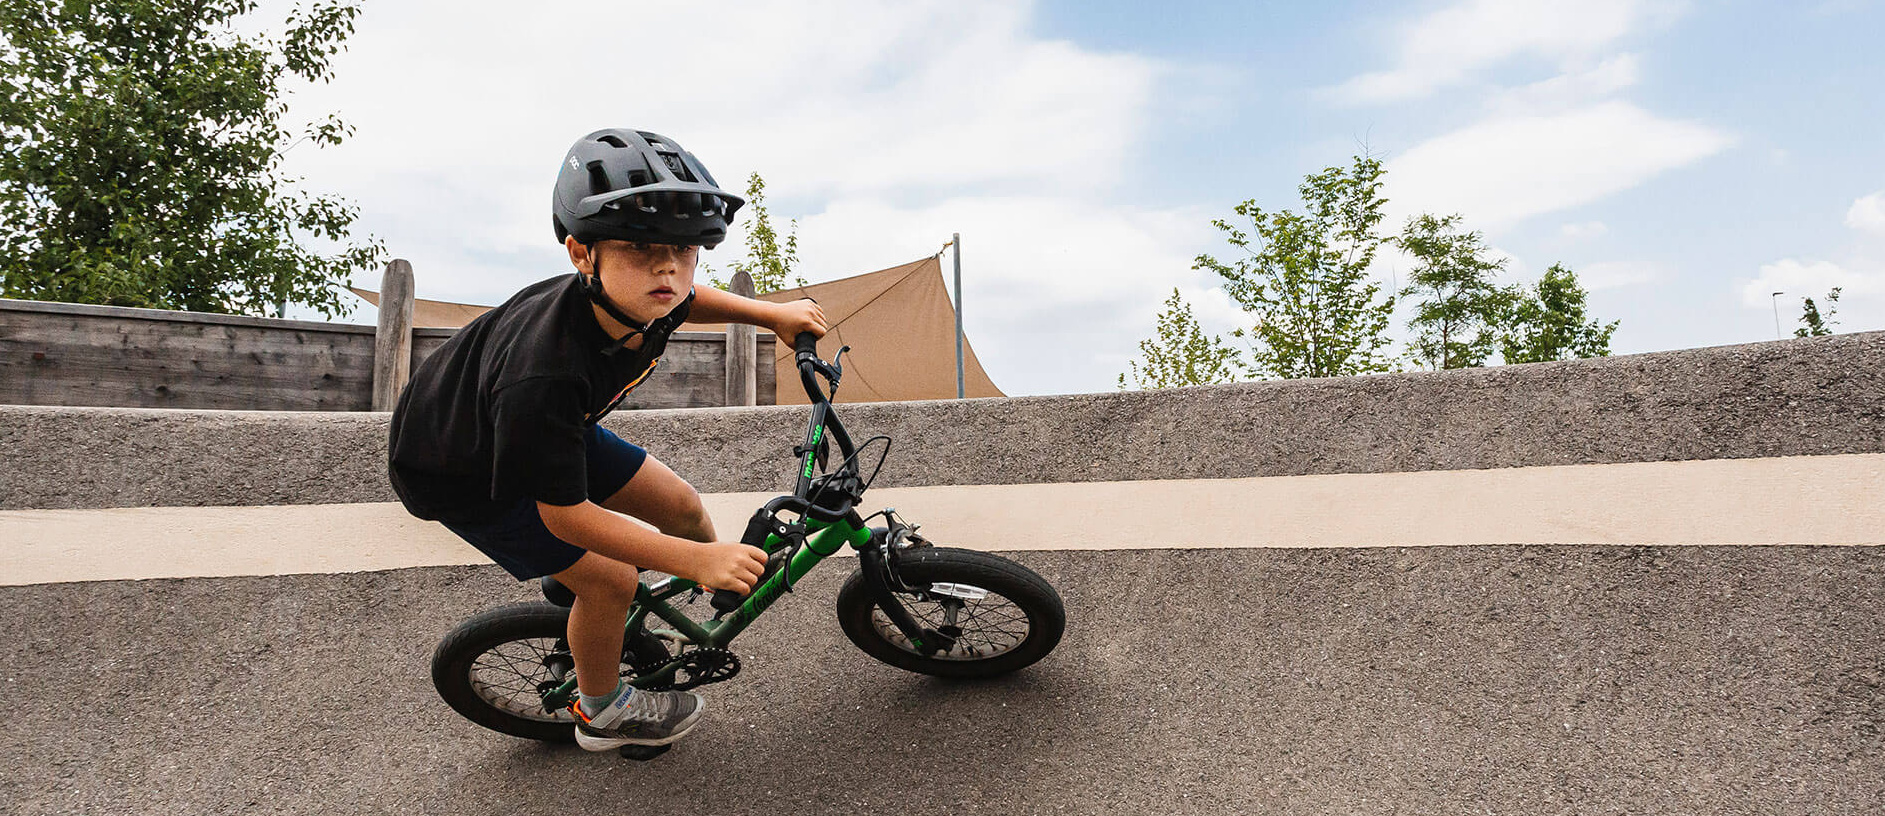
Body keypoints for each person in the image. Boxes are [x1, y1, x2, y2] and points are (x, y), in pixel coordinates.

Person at [388, 128, 827, 751]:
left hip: (534, 429)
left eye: (683, 248)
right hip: (459, 469)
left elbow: (689, 297)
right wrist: (693, 557)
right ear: (581, 253)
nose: (667, 267)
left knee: (679, 504)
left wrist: (770, 314)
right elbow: (564, 515)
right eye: (639, 247)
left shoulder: (640, 295)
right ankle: (601, 711)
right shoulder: (545, 373)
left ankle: (689, 588)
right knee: (613, 577)